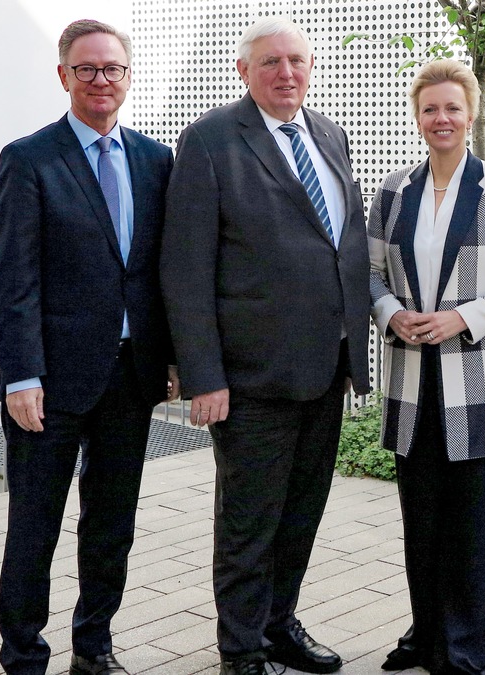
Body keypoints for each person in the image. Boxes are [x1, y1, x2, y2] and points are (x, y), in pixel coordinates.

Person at [159, 17, 370, 675]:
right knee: (249, 523)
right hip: (250, 376)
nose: (286, 73)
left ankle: (279, 625)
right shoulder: (210, 139)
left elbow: (340, 243)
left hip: (325, 367)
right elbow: (186, 266)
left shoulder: (329, 134)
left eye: (297, 61)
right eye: (271, 61)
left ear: (311, 68)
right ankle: (242, 649)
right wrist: (203, 375)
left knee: (301, 514)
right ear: (243, 71)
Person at [0, 19, 176, 675]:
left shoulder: (155, 160)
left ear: (128, 76)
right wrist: (21, 376)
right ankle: (24, 656)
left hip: (130, 375)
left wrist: (171, 357)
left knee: (112, 524)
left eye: (112, 68)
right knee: (34, 526)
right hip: (50, 381)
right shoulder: (29, 158)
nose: (101, 80)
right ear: (64, 75)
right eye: (87, 68)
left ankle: (94, 647)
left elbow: (159, 271)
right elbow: (14, 279)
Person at [370, 59, 485, 675]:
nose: (441, 118)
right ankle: (426, 636)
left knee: (473, 529)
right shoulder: (393, 192)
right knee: (421, 523)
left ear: (472, 114)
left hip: (477, 381)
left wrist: (461, 318)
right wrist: (390, 312)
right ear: (417, 116)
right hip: (411, 383)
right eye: (430, 108)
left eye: (452, 108)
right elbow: (367, 272)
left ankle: (467, 652)